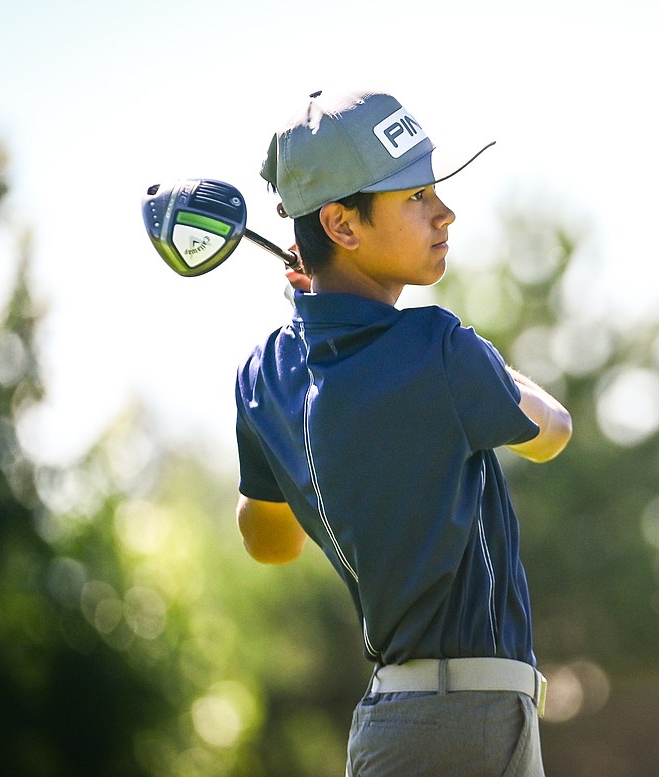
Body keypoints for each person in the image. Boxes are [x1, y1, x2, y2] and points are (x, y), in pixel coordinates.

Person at [233, 90, 572, 776]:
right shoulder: (438, 347)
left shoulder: (263, 374)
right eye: (414, 195)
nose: (444, 212)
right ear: (341, 224)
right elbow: (553, 429)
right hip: (470, 723)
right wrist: (482, 359)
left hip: (395, 727)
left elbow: (269, 541)